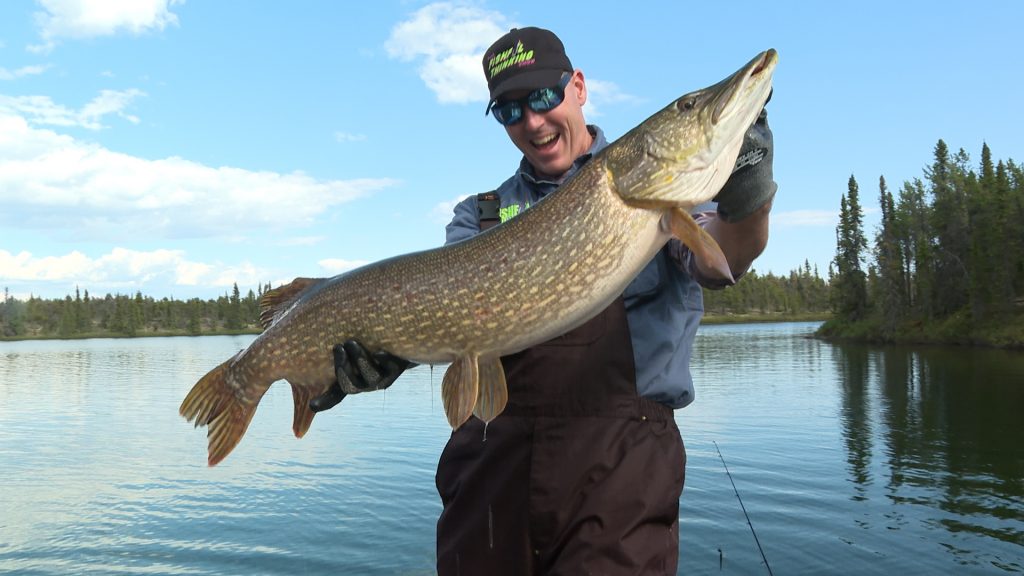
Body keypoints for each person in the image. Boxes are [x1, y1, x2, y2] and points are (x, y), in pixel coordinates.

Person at [311, 26, 776, 575]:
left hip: (618, 479)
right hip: (490, 481)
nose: (531, 121)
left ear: (576, 87)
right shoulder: (478, 217)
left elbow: (727, 257)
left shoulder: (658, 203)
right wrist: (388, 354)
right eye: (510, 110)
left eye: (541, 97)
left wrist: (750, 192)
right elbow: (446, 316)